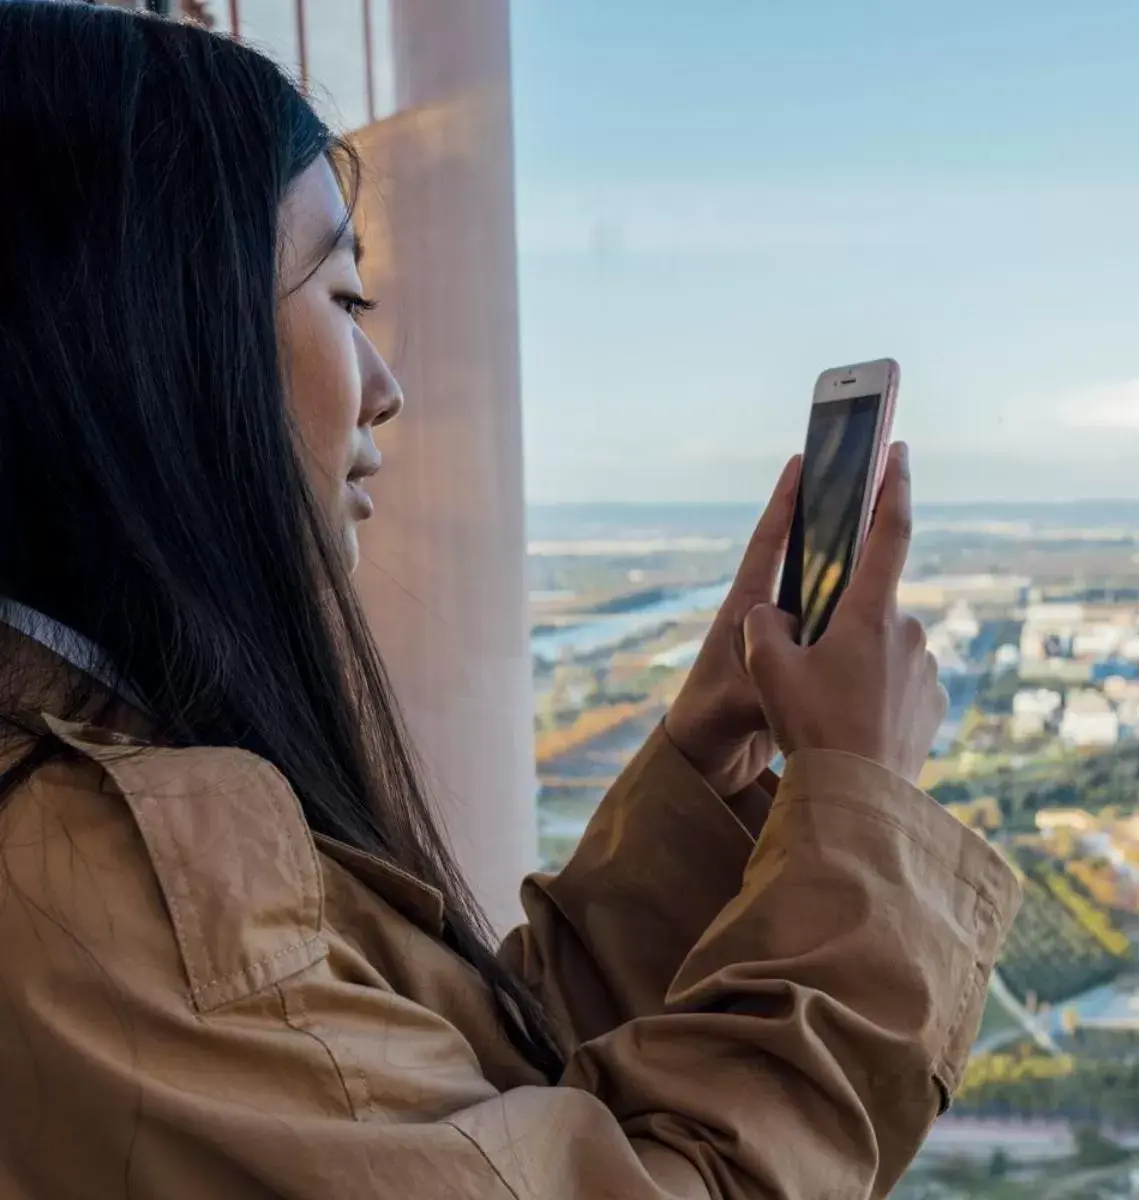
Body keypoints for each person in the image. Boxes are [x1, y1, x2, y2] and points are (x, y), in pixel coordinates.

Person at [0, 6, 1018, 1198]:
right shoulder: (104, 889)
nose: (386, 389)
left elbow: (464, 1111)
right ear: (156, 338)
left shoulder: (92, 818)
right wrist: (865, 809)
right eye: (344, 302)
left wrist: (700, 771)